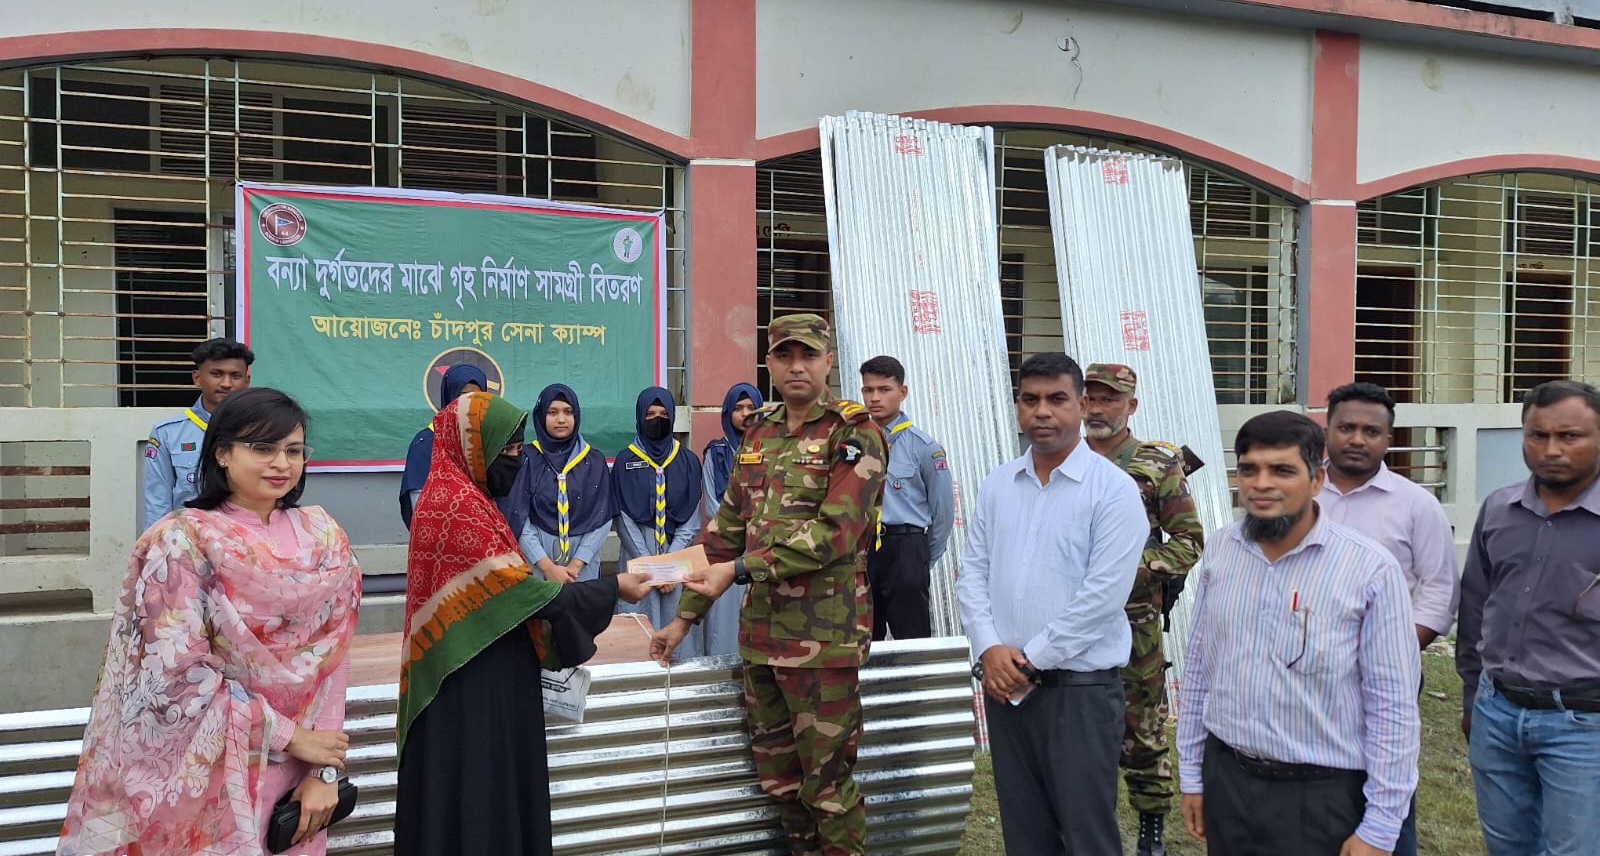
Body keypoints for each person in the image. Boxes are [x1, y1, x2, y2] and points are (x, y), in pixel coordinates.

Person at [61, 387, 361, 855]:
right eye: (262, 448)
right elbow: (175, 676)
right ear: (222, 453)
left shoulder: (324, 539)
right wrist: (292, 737)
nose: (281, 463)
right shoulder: (182, 542)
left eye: (293, 450)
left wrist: (323, 771)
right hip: (203, 770)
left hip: (299, 779)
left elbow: (333, 662)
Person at [650, 313, 887, 856]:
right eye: (785, 356)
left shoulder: (855, 432)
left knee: (827, 788)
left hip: (824, 643)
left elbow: (835, 533)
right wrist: (684, 619)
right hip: (761, 641)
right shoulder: (759, 430)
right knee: (780, 785)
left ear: (829, 361)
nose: (797, 367)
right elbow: (724, 534)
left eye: (809, 356)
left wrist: (739, 571)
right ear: (771, 363)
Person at [394, 390, 651, 856]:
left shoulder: (465, 495)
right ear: (477, 448)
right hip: (470, 682)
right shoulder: (456, 508)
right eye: (508, 451)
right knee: (478, 793)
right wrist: (614, 589)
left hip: (482, 666)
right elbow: (519, 592)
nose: (515, 461)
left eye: (517, 450)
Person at [1178, 411, 1420, 856]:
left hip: (1321, 795)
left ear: (1316, 479)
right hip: (1228, 780)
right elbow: (1199, 668)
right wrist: (1193, 773)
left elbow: (1393, 707)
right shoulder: (1221, 550)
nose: (1261, 484)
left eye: (1282, 470)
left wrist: (1381, 826)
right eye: (1249, 469)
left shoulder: (1368, 569)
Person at [955, 352, 1147, 856]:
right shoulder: (999, 484)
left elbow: (1103, 598)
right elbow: (971, 573)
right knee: (1026, 832)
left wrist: (1031, 658)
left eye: (1056, 399)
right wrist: (990, 647)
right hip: (1008, 693)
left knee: (1087, 836)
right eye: (1030, 399)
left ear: (1082, 405)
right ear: (1017, 406)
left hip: (1079, 694)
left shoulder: (1113, 491)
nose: (1042, 412)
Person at [1457, 379, 1600, 856]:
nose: (1552, 449)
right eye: (1537, 436)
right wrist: (1473, 695)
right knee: (1507, 846)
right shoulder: (1499, 509)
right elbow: (1476, 605)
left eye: (1570, 436)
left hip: (1583, 724)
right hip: (1497, 714)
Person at [1320, 381, 1459, 856]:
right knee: (1313, 781)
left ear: (1388, 439)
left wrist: (1397, 648)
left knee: (1386, 775)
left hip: (1385, 672)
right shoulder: (1298, 492)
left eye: (1371, 431)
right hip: (1302, 670)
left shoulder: (1415, 504)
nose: (1357, 439)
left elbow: (1440, 588)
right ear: (1328, 429)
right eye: (1347, 427)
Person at [1081, 362, 1204, 856]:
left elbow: (1190, 543)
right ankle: (1087, 819)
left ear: (1130, 406)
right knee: (1080, 726)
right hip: (1070, 620)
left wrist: (1135, 568)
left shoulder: (1155, 464)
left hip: (1133, 621)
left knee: (1140, 728)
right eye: (1090, 397)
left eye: (1109, 399)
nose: (1097, 407)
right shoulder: (1060, 456)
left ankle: (1151, 825)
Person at [859, 355, 954, 641]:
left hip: (906, 548)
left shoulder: (925, 448)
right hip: (863, 550)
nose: (875, 398)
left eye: (884, 389)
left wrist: (921, 557)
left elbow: (943, 514)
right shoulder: (853, 443)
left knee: (912, 641)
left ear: (903, 392)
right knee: (863, 640)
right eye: (868, 390)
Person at [612, 386, 703, 649]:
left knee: (679, 632)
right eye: (650, 414)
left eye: (664, 413)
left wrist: (670, 569)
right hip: (638, 553)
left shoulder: (687, 460)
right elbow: (623, 519)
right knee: (638, 631)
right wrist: (652, 568)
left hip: (679, 555)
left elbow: (692, 519)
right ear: (639, 417)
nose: (657, 419)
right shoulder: (625, 460)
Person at [501, 383, 615, 583]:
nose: (561, 419)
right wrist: (547, 567)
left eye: (568, 412)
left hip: (583, 570)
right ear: (540, 415)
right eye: (552, 412)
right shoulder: (526, 459)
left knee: (581, 612)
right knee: (541, 613)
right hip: (536, 565)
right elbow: (518, 517)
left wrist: (577, 564)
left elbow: (602, 516)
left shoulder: (594, 461)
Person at [142, 337, 253, 531]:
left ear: (247, 381)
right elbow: (157, 502)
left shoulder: (261, 430)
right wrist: (155, 549)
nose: (226, 383)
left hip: (246, 543)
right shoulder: (167, 434)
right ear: (197, 378)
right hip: (189, 544)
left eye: (235, 376)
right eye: (217, 374)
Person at [698, 381, 764, 656]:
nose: (745, 413)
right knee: (723, 620)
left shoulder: (771, 449)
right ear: (727, 413)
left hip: (761, 546)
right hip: (726, 548)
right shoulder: (716, 452)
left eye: (751, 407)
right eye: (738, 408)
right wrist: (736, 532)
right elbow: (712, 502)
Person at [398, 364, 487, 529]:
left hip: (486, 537)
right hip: (441, 537)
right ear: (449, 396)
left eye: (478, 396)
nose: (471, 402)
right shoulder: (426, 442)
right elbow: (420, 508)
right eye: (464, 395)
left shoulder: (488, 439)